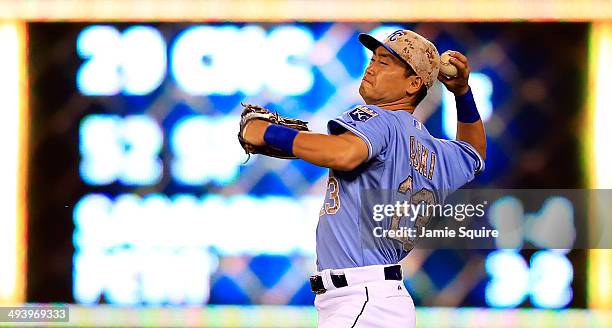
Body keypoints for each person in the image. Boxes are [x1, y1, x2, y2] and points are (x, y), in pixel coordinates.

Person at [241, 29, 486, 327]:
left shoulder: (379, 118)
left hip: (362, 299)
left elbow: (344, 153)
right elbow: (474, 152)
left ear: (413, 84)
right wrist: (463, 93)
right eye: (374, 58)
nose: (372, 66)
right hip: (377, 299)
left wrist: (267, 131)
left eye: (386, 62)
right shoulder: (436, 153)